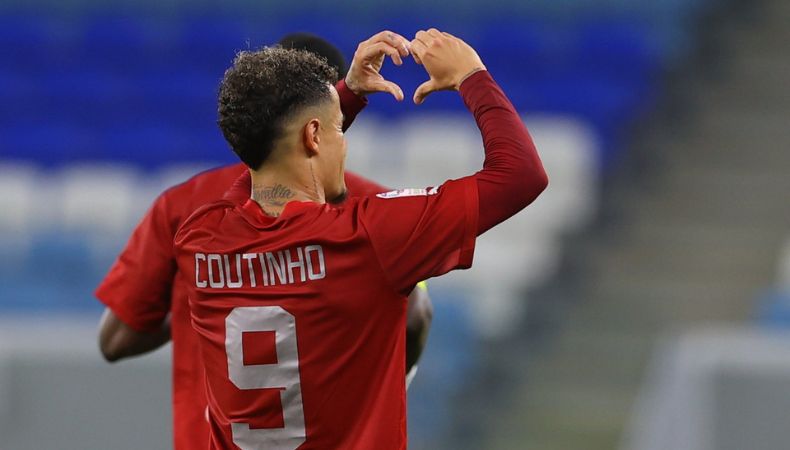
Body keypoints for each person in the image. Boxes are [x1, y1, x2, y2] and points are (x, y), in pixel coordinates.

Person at [175, 28, 548, 449]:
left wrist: (343, 99)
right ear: (313, 136)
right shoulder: (367, 238)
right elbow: (522, 175)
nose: (344, 143)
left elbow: (261, 162)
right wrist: (471, 76)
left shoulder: (199, 238)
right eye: (339, 129)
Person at [95, 33, 432, 450]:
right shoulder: (375, 207)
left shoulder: (184, 207)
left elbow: (115, 339)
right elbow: (417, 315)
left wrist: (198, 308)